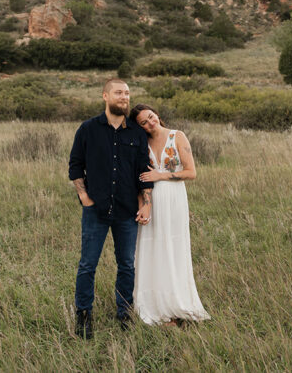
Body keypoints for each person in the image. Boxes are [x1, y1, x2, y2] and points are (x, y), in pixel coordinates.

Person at [68, 79, 153, 339]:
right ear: (105, 96)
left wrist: (146, 203)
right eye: (118, 93)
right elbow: (75, 165)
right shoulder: (88, 129)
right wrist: (84, 195)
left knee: (126, 264)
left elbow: (143, 172)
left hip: (127, 211)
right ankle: (84, 316)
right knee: (87, 265)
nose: (124, 97)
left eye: (127, 93)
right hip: (96, 210)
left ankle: (124, 314)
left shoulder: (137, 134)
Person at [129, 103, 210, 326]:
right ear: (139, 127)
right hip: (150, 202)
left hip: (173, 200)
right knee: (150, 248)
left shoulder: (177, 136)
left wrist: (160, 175)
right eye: (143, 122)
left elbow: (190, 172)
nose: (150, 123)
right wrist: (143, 205)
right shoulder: (140, 144)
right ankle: (153, 304)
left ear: (158, 115)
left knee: (173, 248)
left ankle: (177, 303)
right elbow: (138, 178)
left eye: (151, 117)